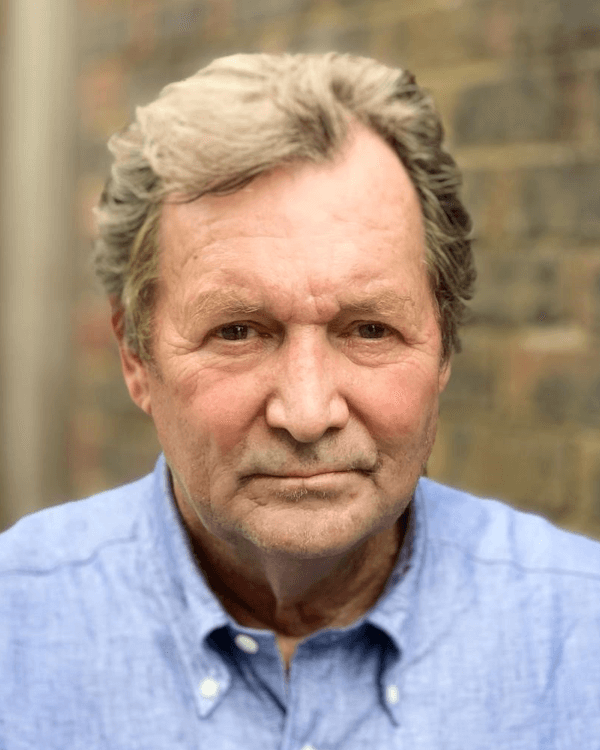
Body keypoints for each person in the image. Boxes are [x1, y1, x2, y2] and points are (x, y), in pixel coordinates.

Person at [1, 52, 599, 750]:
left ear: (444, 347)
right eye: (237, 332)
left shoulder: (579, 632)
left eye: (369, 329)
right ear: (135, 356)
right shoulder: (16, 624)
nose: (309, 414)